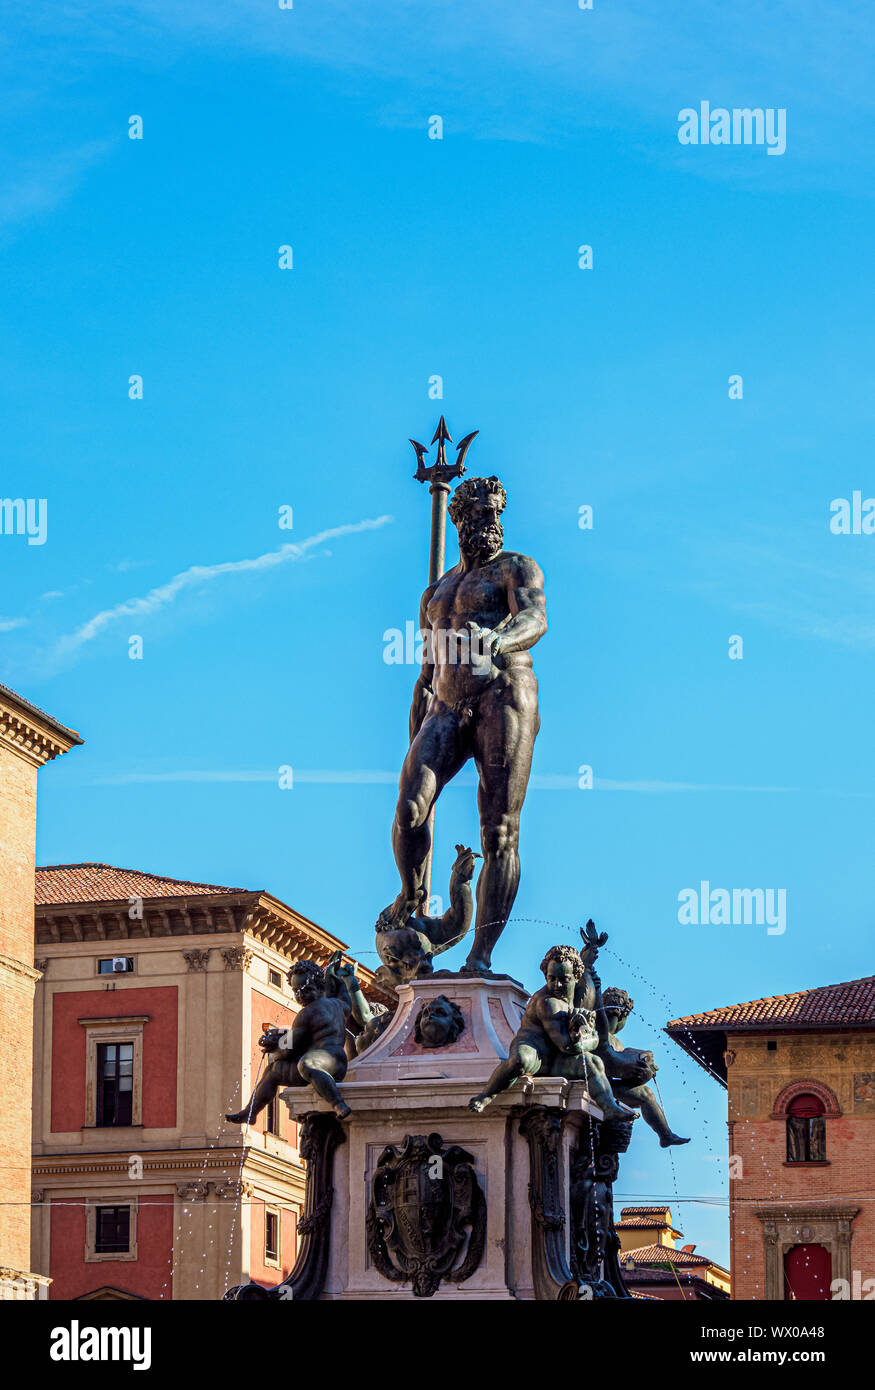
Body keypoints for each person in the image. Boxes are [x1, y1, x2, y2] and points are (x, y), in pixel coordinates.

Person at [388, 476, 547, 973]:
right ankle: (411, 895)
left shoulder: (516, 568)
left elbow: (535, 620)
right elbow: (426, 667)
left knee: (499, 830)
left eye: (495, 514)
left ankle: (480, 955)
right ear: (458, 518)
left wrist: (497, 639)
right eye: (479, 515)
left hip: (504, 695)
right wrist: (418, 715)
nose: (489, 524)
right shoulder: (435, 592)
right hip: (446, 705)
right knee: (411, 807)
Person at [225, 958, 351, 1123]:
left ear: (320, 986)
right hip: (337, 1061)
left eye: (305, 990)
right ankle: (250, 1112)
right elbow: (347, 1002)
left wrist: (275, 1049)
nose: (299, 996)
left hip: (326, 1062)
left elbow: (291, 1049)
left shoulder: (306, 1014)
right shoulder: (337, 1004)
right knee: (274, 1072)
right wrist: (339, 982)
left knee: (301, 1064)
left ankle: (338, 1103)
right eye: (296, 991)